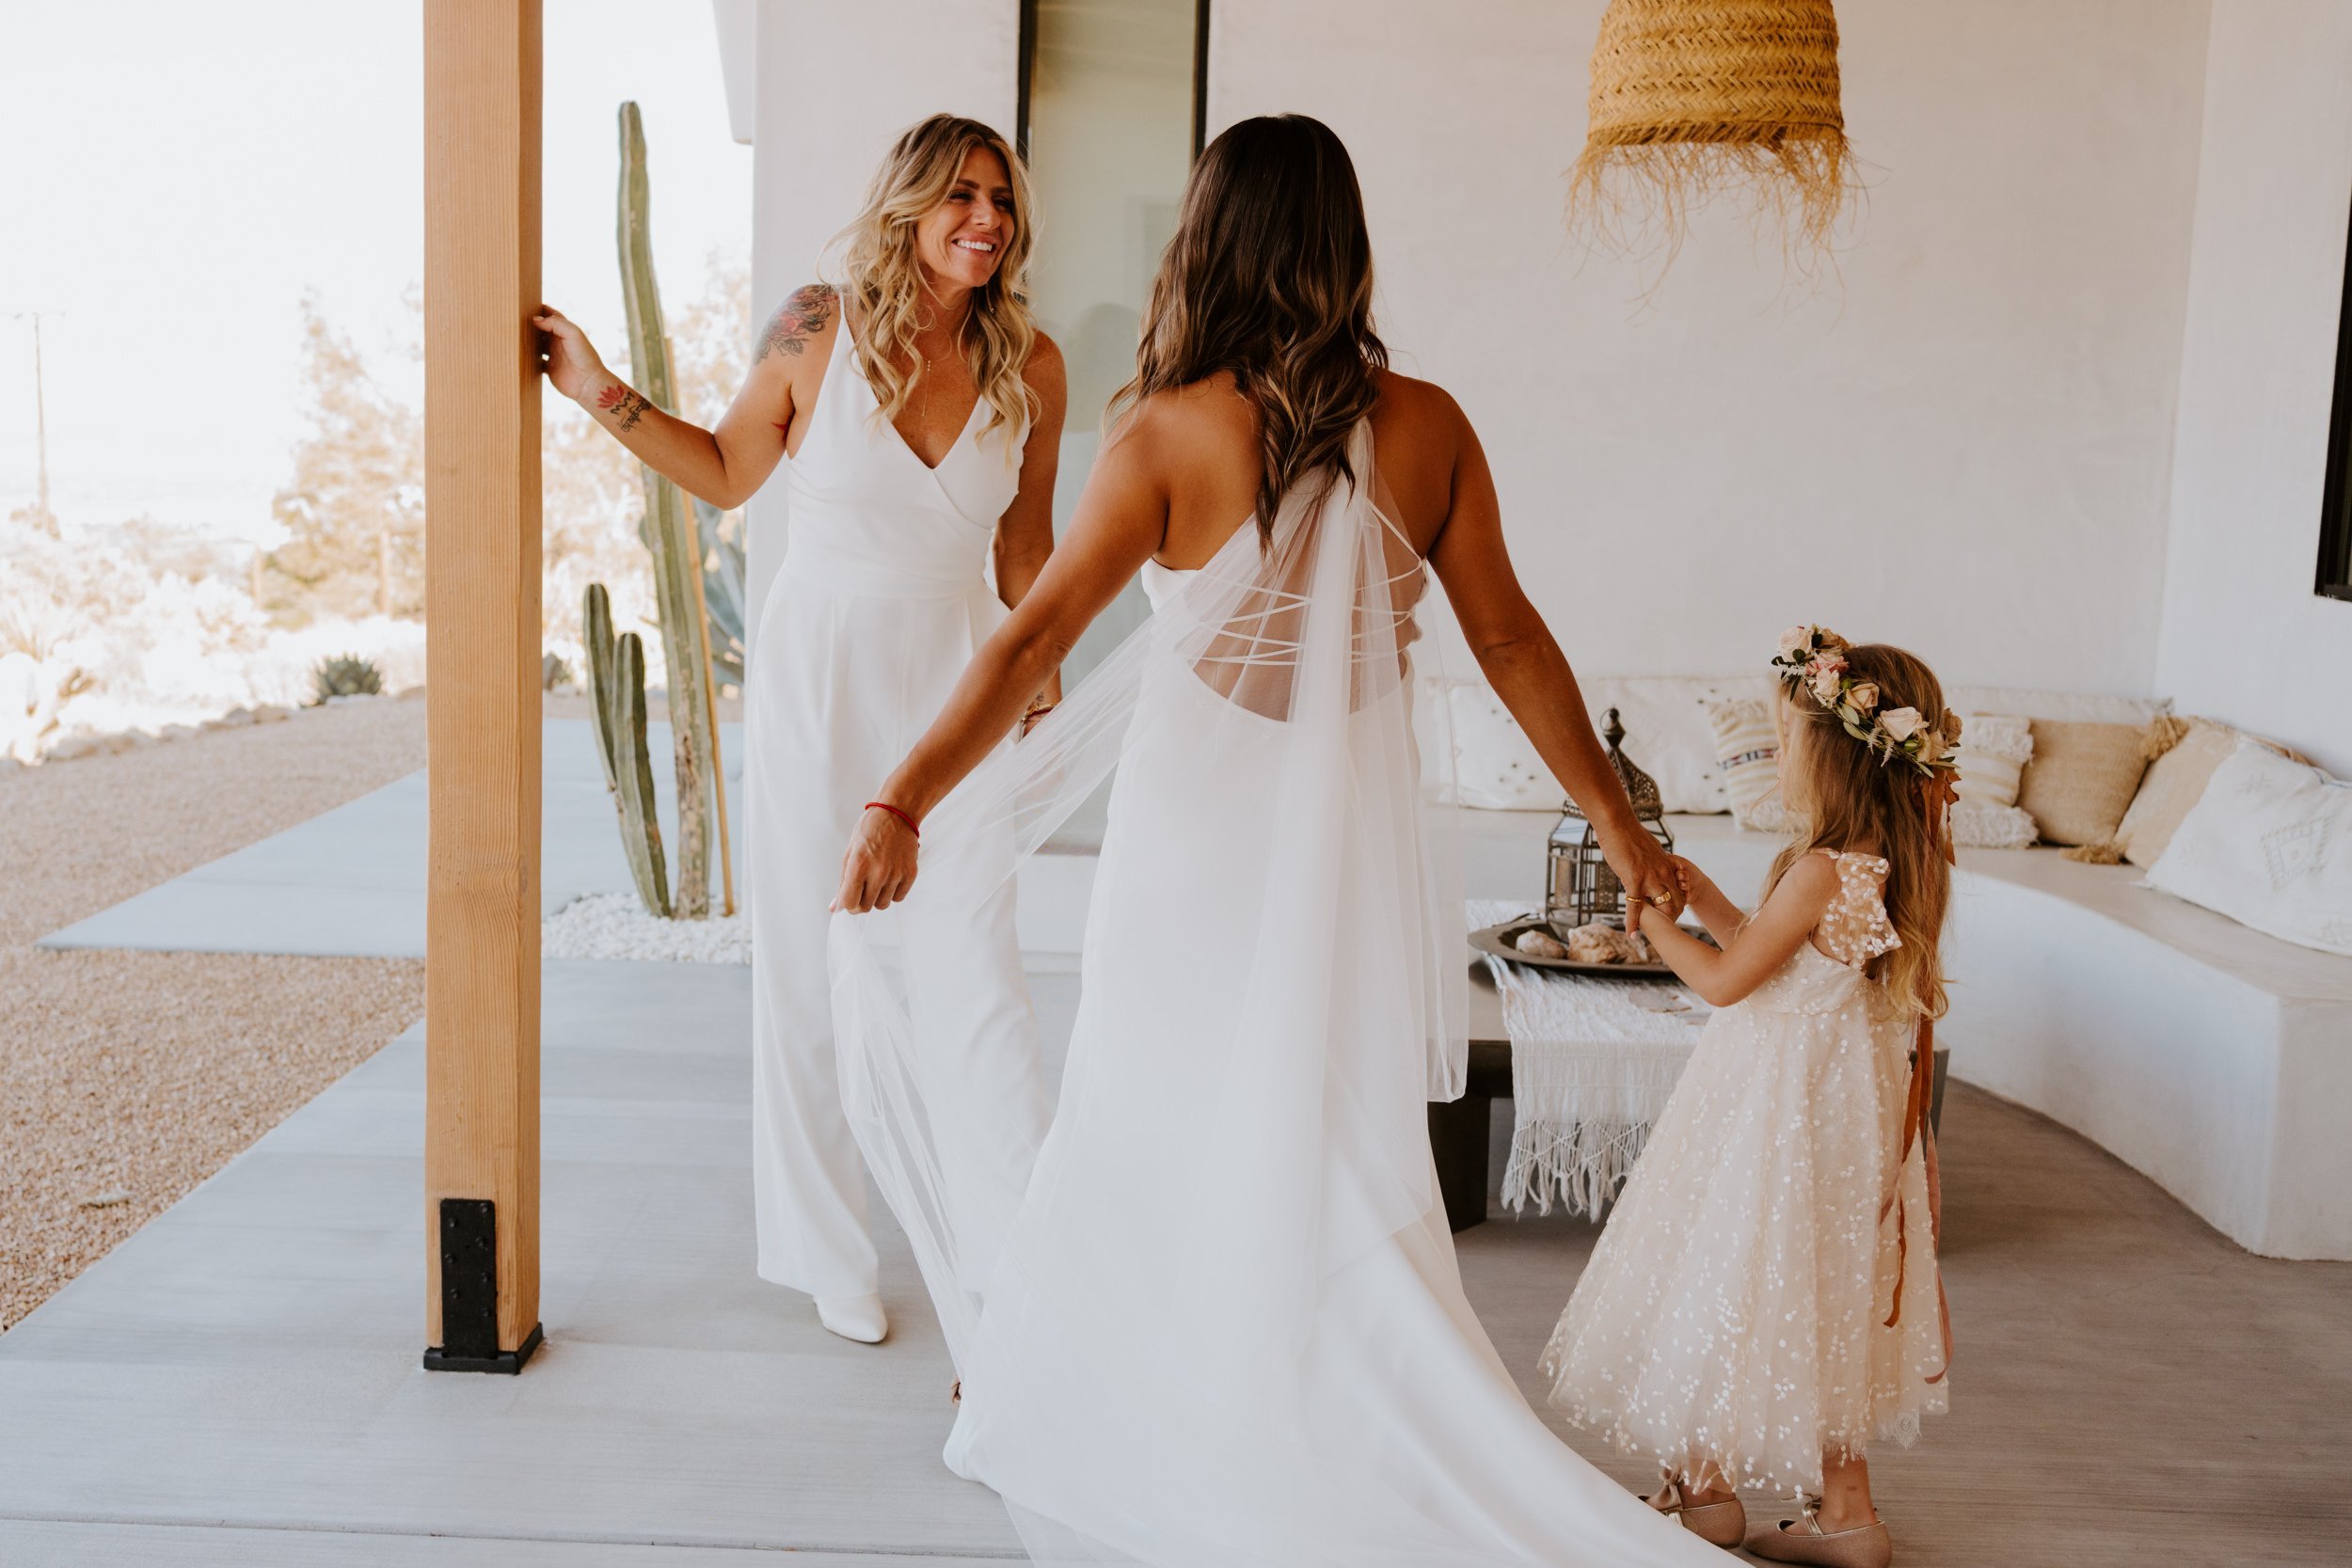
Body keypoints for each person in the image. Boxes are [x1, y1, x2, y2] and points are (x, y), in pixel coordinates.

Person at [828, 115, 1720, 1567]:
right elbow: (1507, 635)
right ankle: (1317, 1397)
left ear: (1211, 238)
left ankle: (1149, 1404)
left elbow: (1038, 632)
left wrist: (902, 798)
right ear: (1343, 243)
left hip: (1191, 842)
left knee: (1146, 1104)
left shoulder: (1166, 431)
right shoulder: (1427, 425)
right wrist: (1622, 826)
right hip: (1346, 850)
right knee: (1325, 1122)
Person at [535, 114, 1062, 1346]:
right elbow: (725, 471)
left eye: (1003, 201)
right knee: (819, 964)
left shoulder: (1030, 361)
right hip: (820, 678)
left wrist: (1042, 672)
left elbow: (1025, 549)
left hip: (957, 685)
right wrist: (598, 386)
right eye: (964, 195)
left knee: (973, 972)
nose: (987, 218)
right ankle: (832, 1248)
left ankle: (1007, 1245)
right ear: (911, 204)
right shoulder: (815, 327)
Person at [1542, 627, 1957, 1568]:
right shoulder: (1889, 862)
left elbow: (1729, 984)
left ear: (1837, 757)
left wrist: (1649, 918)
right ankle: (1846, 1511)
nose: (1777, 760)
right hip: (1845, 1110)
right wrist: (1714, 904)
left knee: (1731, 1269)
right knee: (1824, 1289)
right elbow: (1784, 963)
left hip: (1775, 1112)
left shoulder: (1816, 869)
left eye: (1786, 742)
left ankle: (1703, 1486)